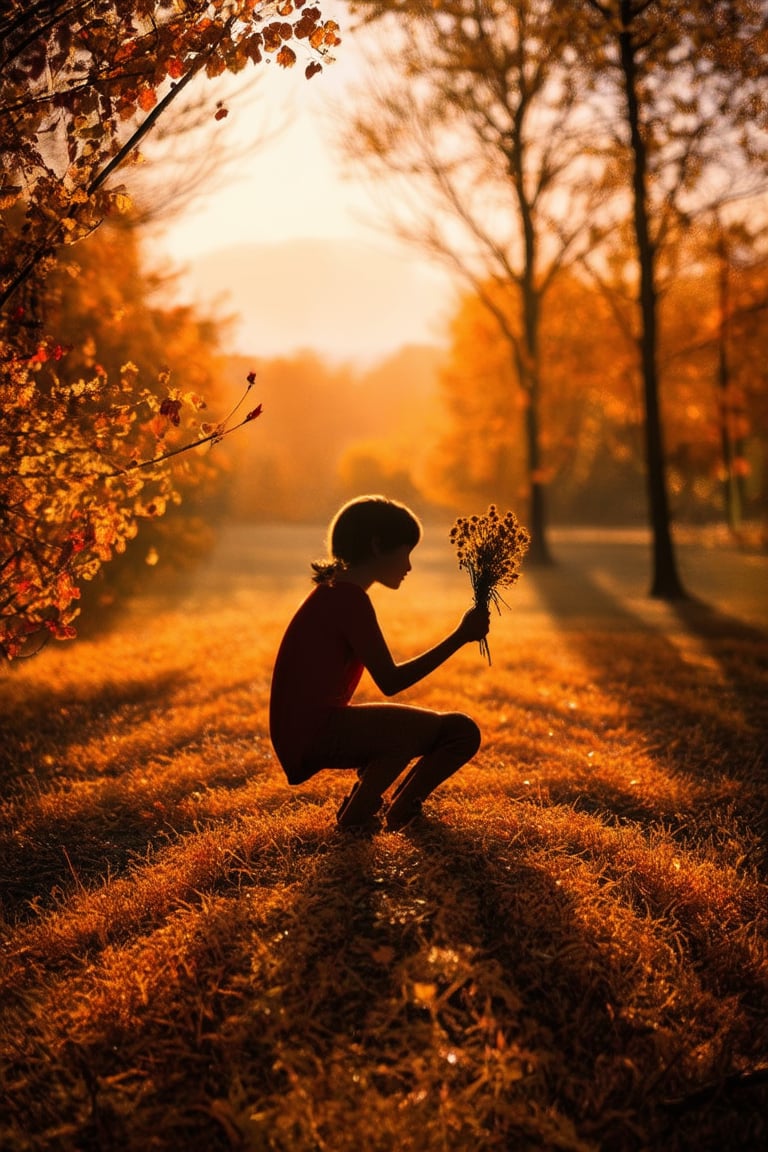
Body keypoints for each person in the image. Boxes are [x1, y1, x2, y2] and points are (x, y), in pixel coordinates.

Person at [268, 495, 490, 832]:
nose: (409, 566)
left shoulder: (337, 593)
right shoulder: (347, 598)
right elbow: (391, 681)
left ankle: (392, 807)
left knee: (449, 730)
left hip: (308, 730)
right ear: (377, 546)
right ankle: (366, 813)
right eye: (406, 552)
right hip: (314, 732)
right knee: (458, 732)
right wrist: (460, 636)